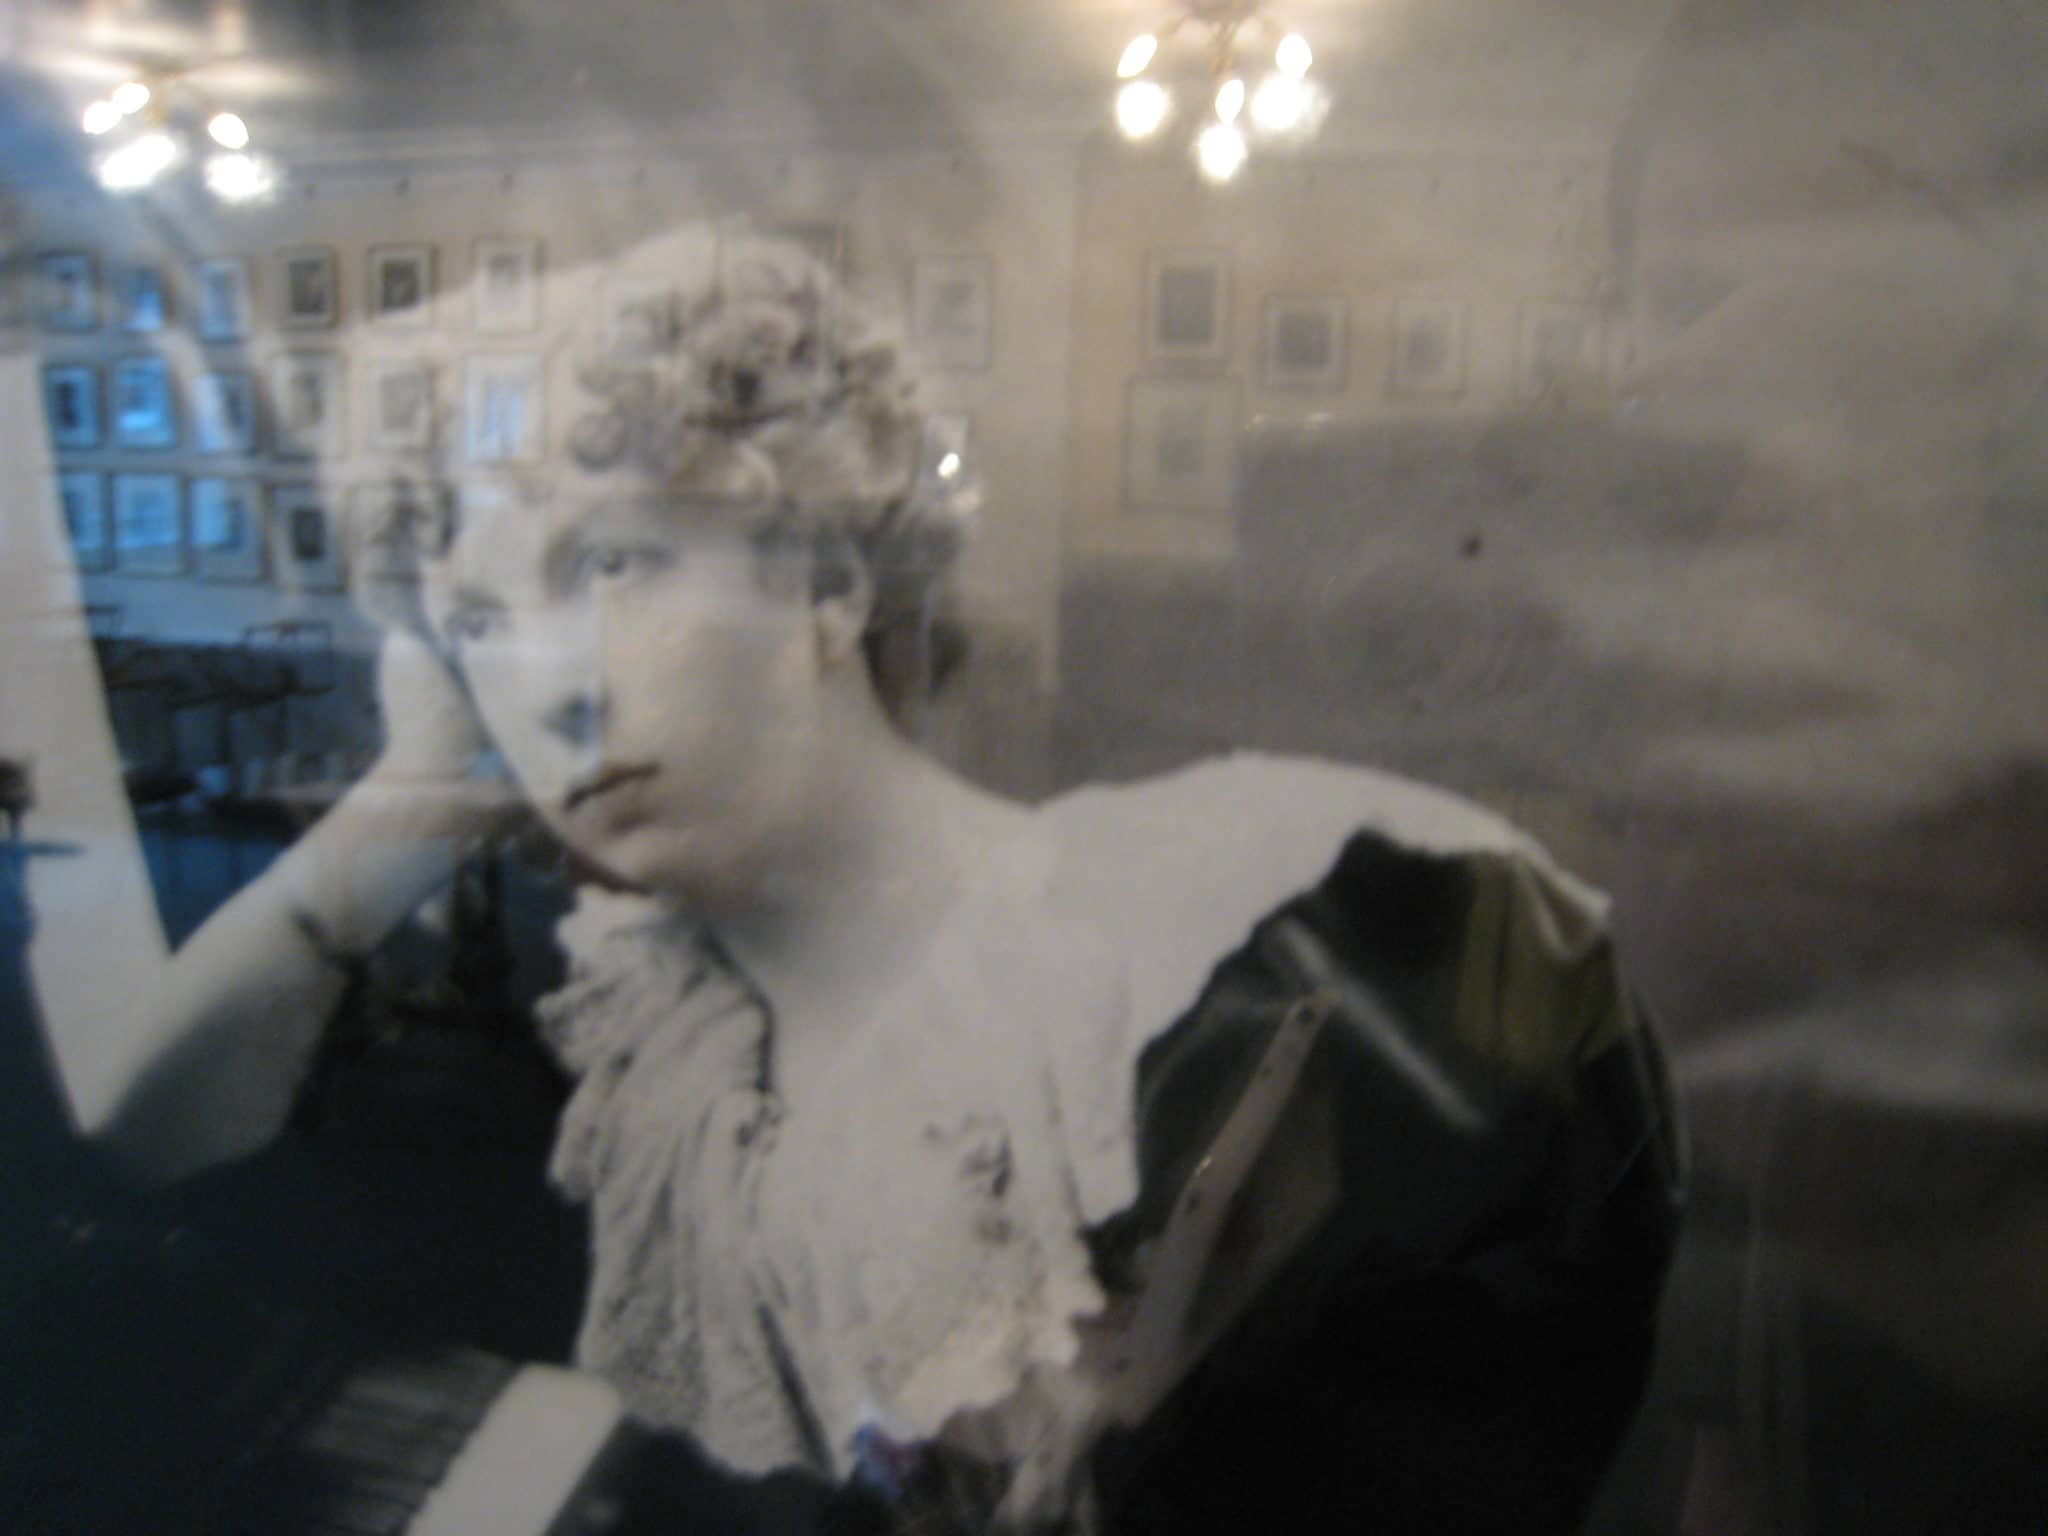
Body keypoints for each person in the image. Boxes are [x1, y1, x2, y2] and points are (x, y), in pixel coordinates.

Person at [44, 226, 1680, 1533]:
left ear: (824, 569)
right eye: (478, 621)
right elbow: (140, 1143)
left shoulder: (1262, 929)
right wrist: (405, 802)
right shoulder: (624, 1039)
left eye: (611, 563)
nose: (552, 691)